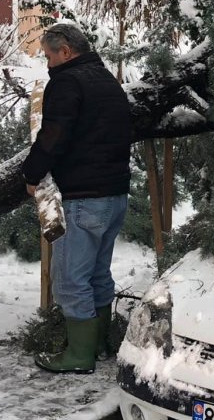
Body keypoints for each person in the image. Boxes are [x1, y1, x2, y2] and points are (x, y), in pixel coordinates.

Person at [22, 23, 133, 374]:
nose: (47, 63)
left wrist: (32, 173)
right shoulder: (106, 80)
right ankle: (99, 345)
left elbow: (54, 134)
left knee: (70, 279)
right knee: (98, 275)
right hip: (114, 195)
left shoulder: (68, 82)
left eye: (49, 55)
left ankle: (79, 355)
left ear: (66, 51)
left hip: (83, 197)